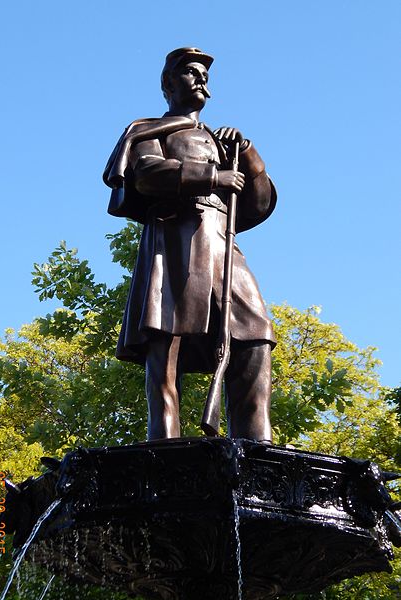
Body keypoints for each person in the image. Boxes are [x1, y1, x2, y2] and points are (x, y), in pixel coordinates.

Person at [103, 48, 277, 442]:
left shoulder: (223, 141)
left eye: (204, 75)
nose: (201, 79)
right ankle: (164, 456)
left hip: (221, 245)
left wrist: (247, 154)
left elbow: (259, 202)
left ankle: (256, 455)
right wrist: (212, 176)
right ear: (167, 85)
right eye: (190, 73)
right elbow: (145, 174)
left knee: (254, 337)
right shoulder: (147, 131)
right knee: (165, 356)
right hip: (175, 246)